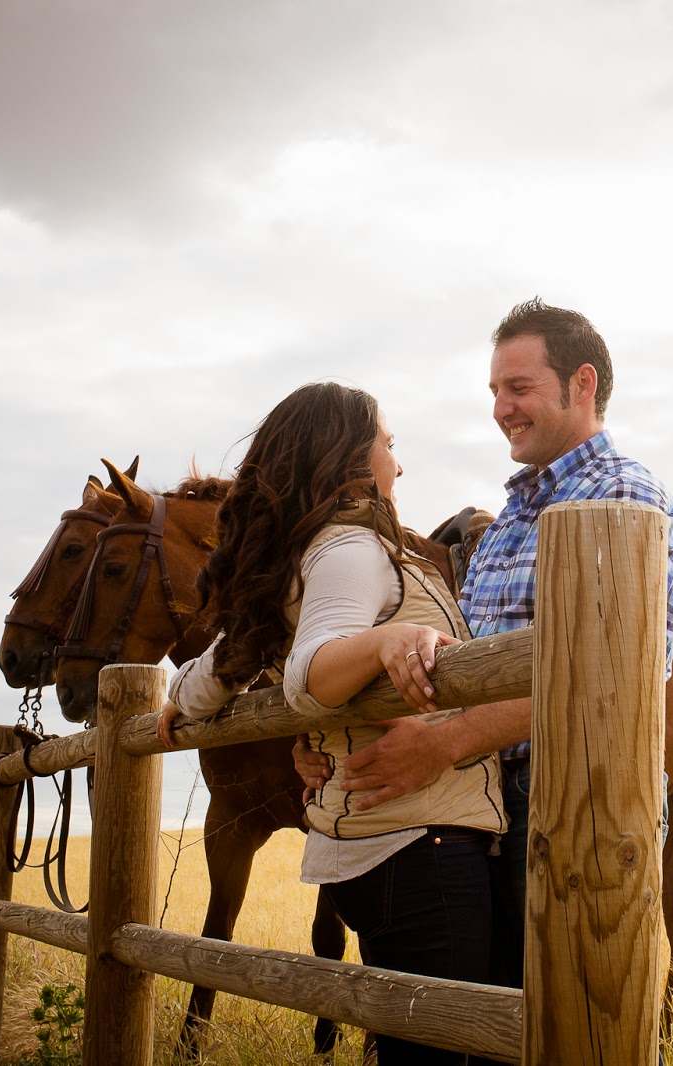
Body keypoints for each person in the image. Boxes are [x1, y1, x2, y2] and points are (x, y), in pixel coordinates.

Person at [293, 298, 673, 997]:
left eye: (519, 388)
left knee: (587, 1009)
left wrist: (448, 743)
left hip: (582, 794)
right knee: (513, 1017)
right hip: (494, 802)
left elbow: (615, 682)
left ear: (583, 384)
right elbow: (464, 668)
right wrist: (330, 736)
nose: (502, 408)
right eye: (495, 392)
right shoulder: (511, 517)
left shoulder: (623, 495)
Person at [157, 382, 505, 1066]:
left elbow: (224, 665)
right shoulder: (353, 552)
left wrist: (178, 699)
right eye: (389, 446)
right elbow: (311, 669)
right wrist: (382, 643)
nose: (397, 466)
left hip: (386, 845)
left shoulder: (312, 553)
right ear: (347, 454)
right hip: (420, 843)